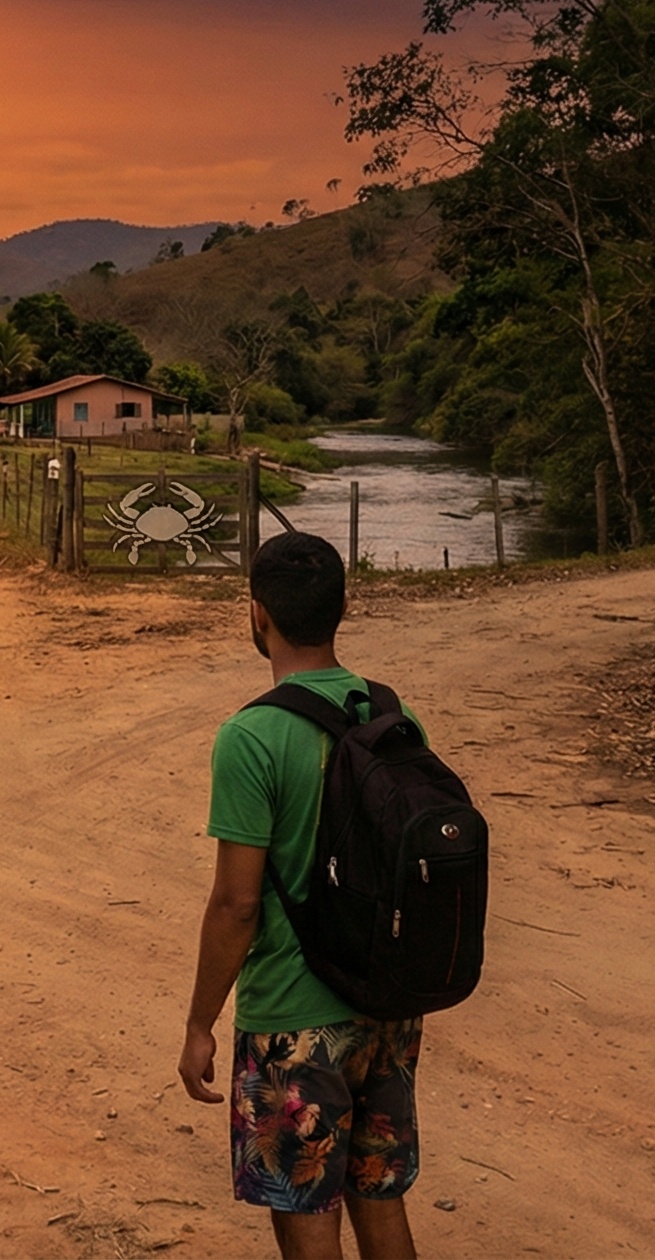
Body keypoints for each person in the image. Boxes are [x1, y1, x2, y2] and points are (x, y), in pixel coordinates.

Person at [178, 532, 423, 1260]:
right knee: (379, 1197)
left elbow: (237, 904)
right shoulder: (391, 713)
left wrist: (200, 1022)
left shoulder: (251, 736)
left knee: (306, 1214)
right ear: (343, 608)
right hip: (386, 1007)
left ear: (257, 613)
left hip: (294, 1019)